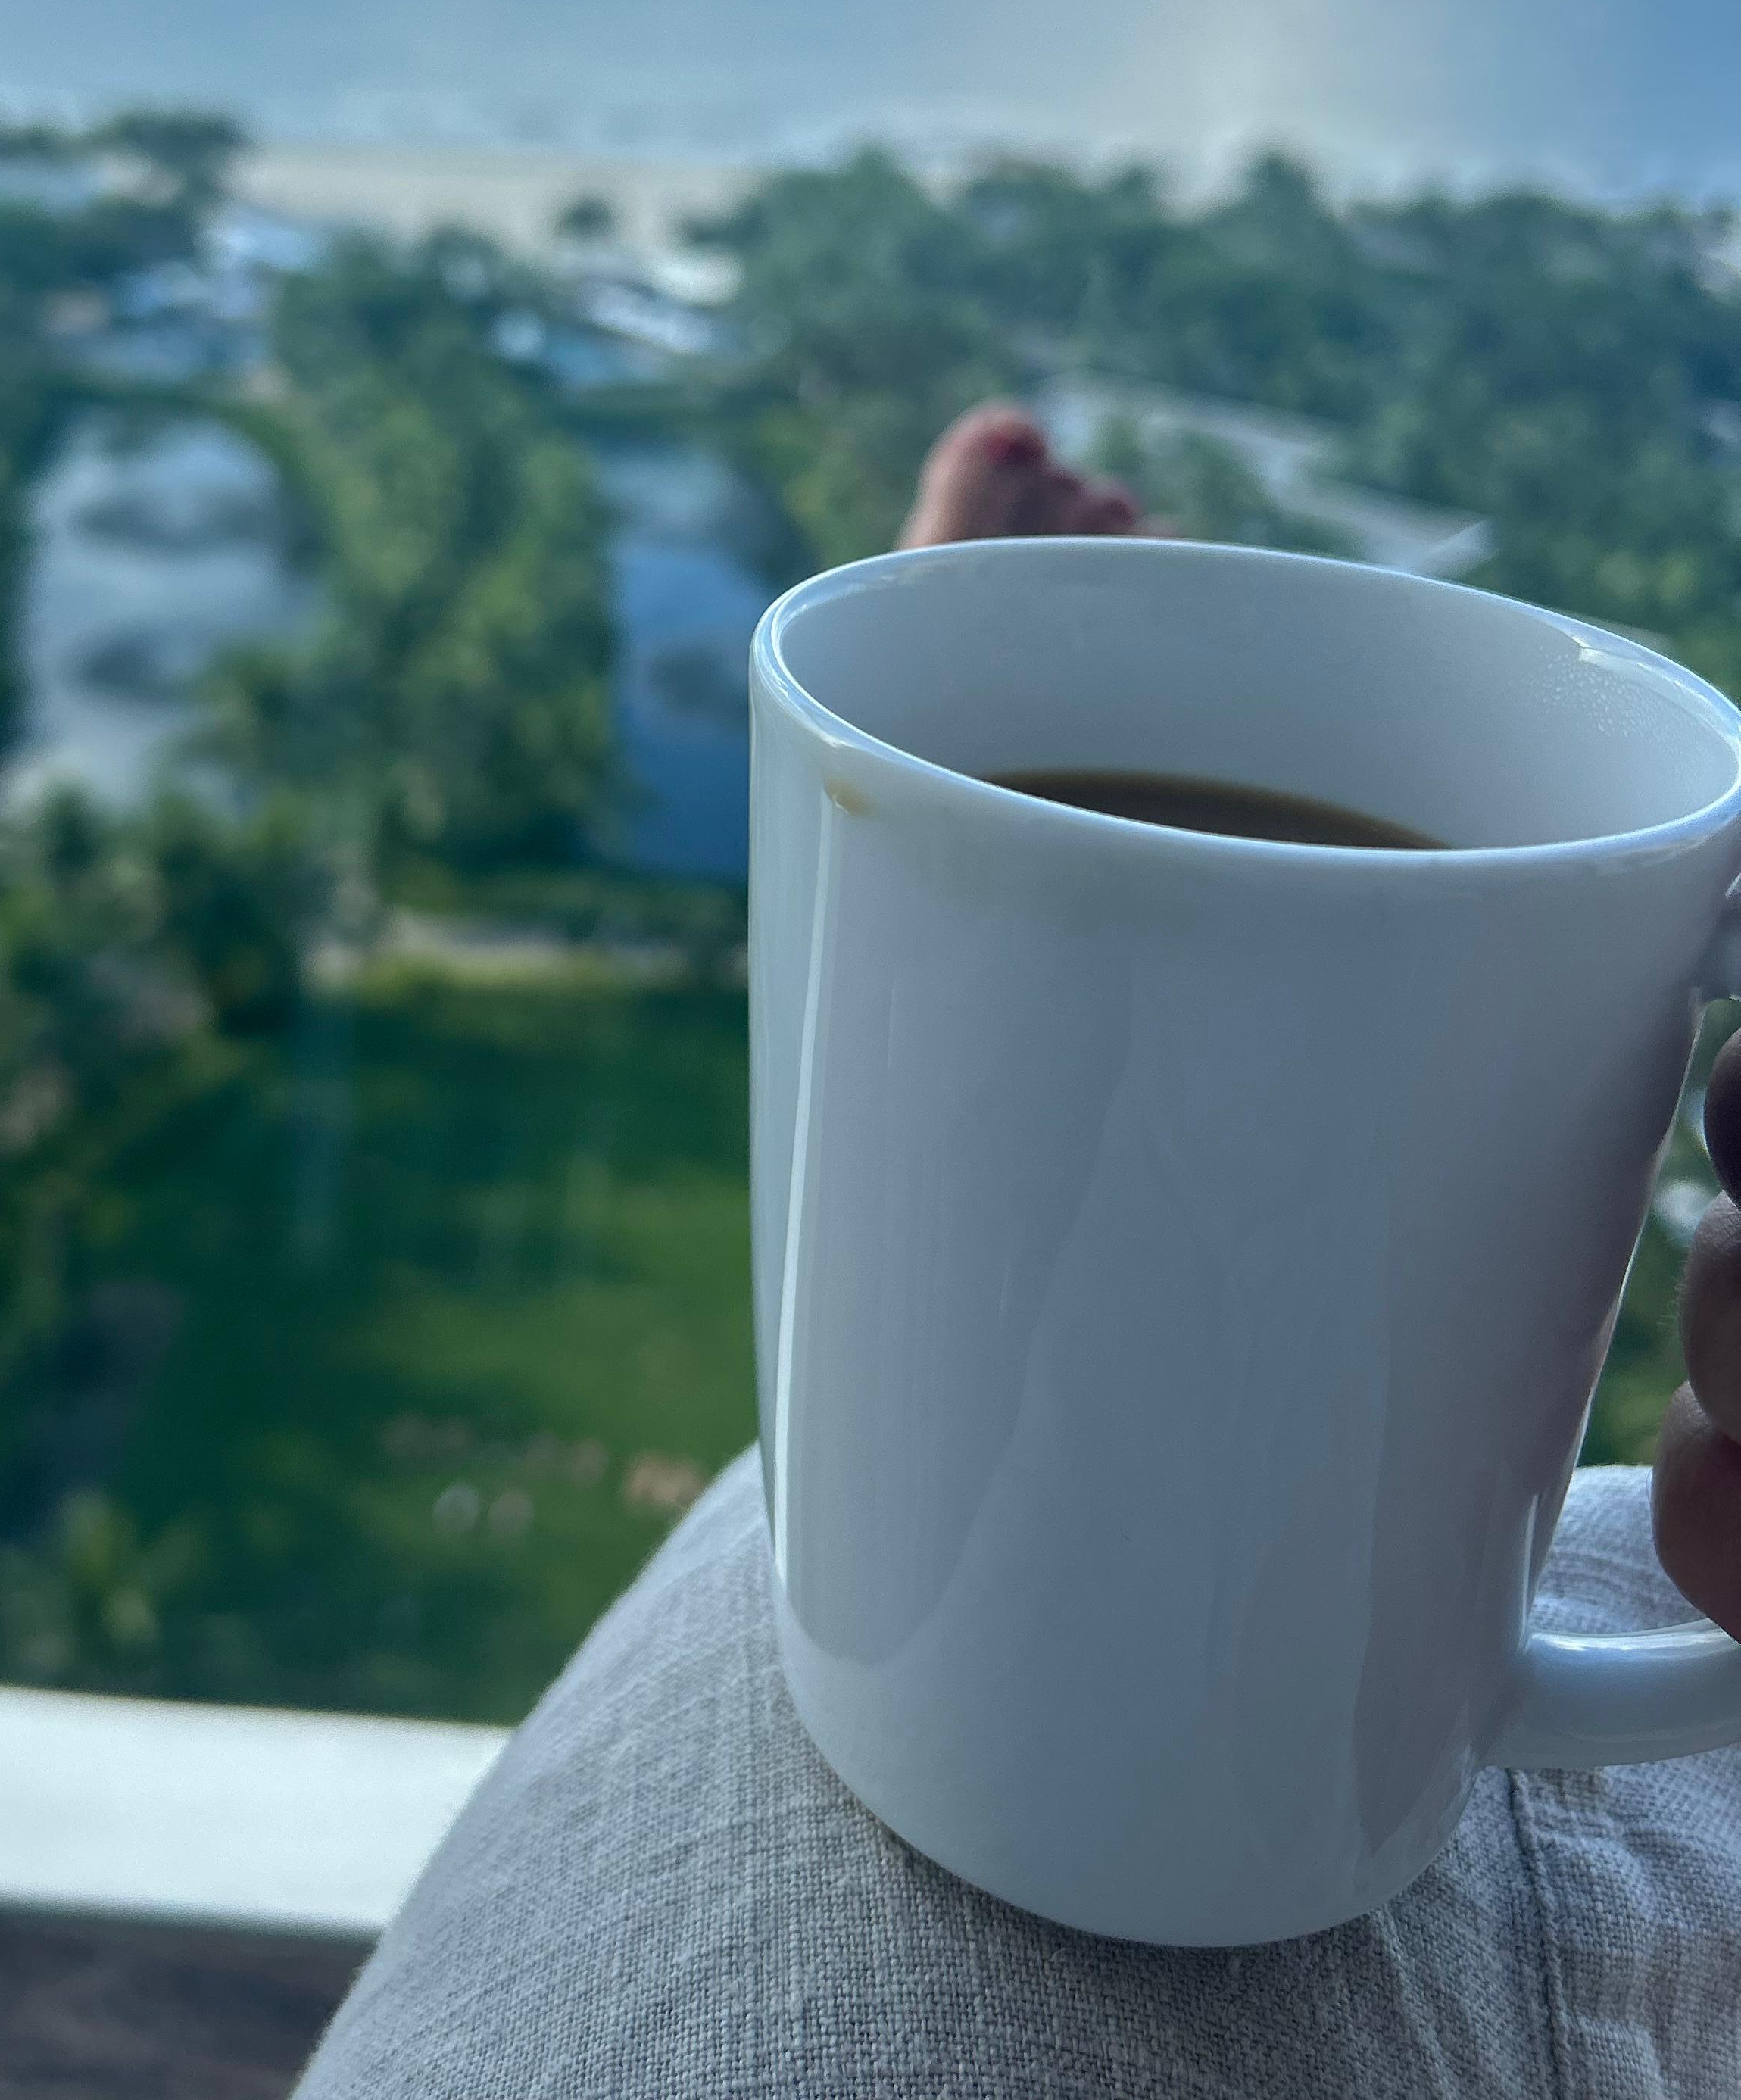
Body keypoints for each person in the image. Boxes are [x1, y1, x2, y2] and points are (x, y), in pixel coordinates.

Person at [297, 408, 1741, 2098]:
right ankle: (941, 844)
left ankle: (938, 840)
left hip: (1283, 1775)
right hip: (1363, 1797)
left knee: (811, 1429)